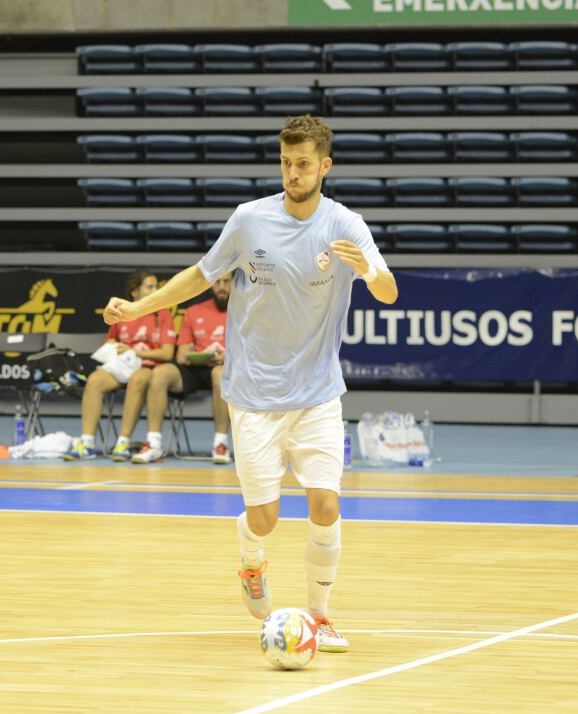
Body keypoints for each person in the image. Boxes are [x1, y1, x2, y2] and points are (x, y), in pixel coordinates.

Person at [103, 114, 398, 652]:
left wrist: (372, 272)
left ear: (324, 166)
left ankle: (320, 615)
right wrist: (138, 308)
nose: (293, 172)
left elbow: (388, 292)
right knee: (264, 519)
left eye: (303, 164)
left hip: (316, 393)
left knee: (325, 506)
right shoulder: (249, 219)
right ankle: (250, 557)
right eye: (286, 163)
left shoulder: (346, 225)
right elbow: (198, 275)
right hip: (253, 395)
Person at [64, 270, 176, 461]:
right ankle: (87, 443)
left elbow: (167, 353)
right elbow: (110, 343)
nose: (155, 291)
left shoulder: (163, 314)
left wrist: (134, 352)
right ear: (134, 292)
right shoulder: (122, 314)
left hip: (148, 368)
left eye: (156, 286)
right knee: (94, 380)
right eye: (150, 287)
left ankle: (123, 442)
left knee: (138, 379)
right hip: (121, 368)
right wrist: (114, 348)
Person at [130, 274, 232, 464]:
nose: (221, 287)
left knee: (220, 374)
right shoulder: (194, 311)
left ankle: (221, 444)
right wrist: (191, 355)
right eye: (217, 281)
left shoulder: (244, 310)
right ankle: (154, 443)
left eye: (226, 281)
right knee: (160, 374)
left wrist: (228, 357)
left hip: (227, 370)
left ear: (234, 283)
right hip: (195, 367)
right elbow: (181, 354)